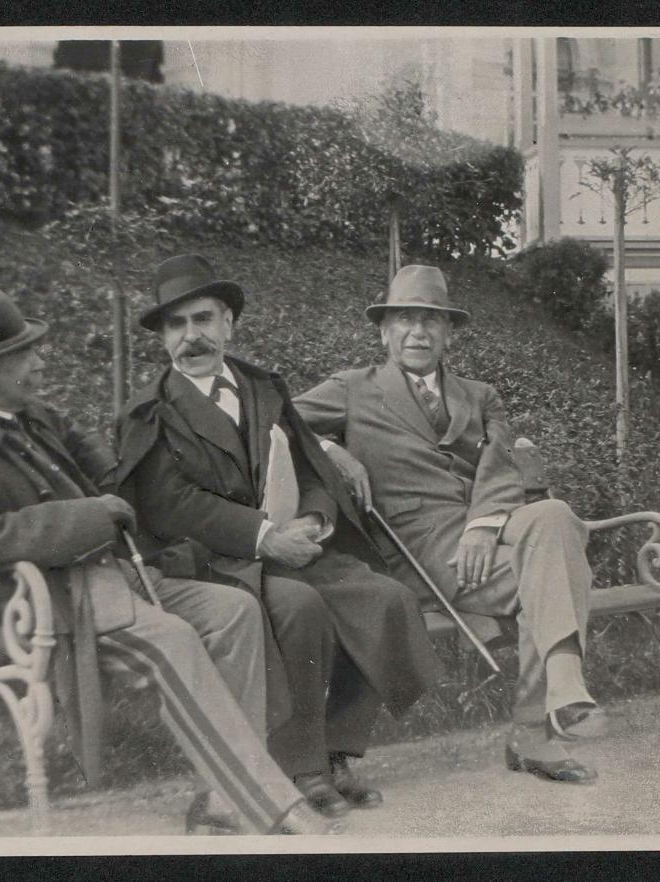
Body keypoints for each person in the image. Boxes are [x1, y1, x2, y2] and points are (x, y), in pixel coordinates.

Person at [0, 283, 330, 834]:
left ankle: (225, 798)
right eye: (25, 355)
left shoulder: (26, 412)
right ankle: (268, 807)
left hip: (102, 577)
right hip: (31, 606)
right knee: (172, 641)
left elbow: (98, 463)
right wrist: (90, 516)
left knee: (235, 611)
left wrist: (116, 488)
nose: (40, 363)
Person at [114, 255, 442, 817]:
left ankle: (337, 752)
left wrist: (314, 520)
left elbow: (313, 469)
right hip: (215, 562)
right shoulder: (148, 413)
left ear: (228, 324)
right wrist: (265, 536)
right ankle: (300, 767)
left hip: (288, 545)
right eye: (176, 325)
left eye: (203, 319)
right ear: (163, 337)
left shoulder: (263, 389)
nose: (191, 337)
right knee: (298, 606)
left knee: (385, 597)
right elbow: (171, 505)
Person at [294, 264, 610, 786]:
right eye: (405, 320)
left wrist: (483, 525)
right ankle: (538, 727)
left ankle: (561, 682)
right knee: (553, 573)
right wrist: (332, 451)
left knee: (555, 518)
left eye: (431, 321)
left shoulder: (479, 395)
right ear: (384, 332)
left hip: (482, 538)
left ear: (448, 334)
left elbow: (500, 465)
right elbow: (277, 418)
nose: (418, 332)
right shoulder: (352, 388)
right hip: (417, 550)